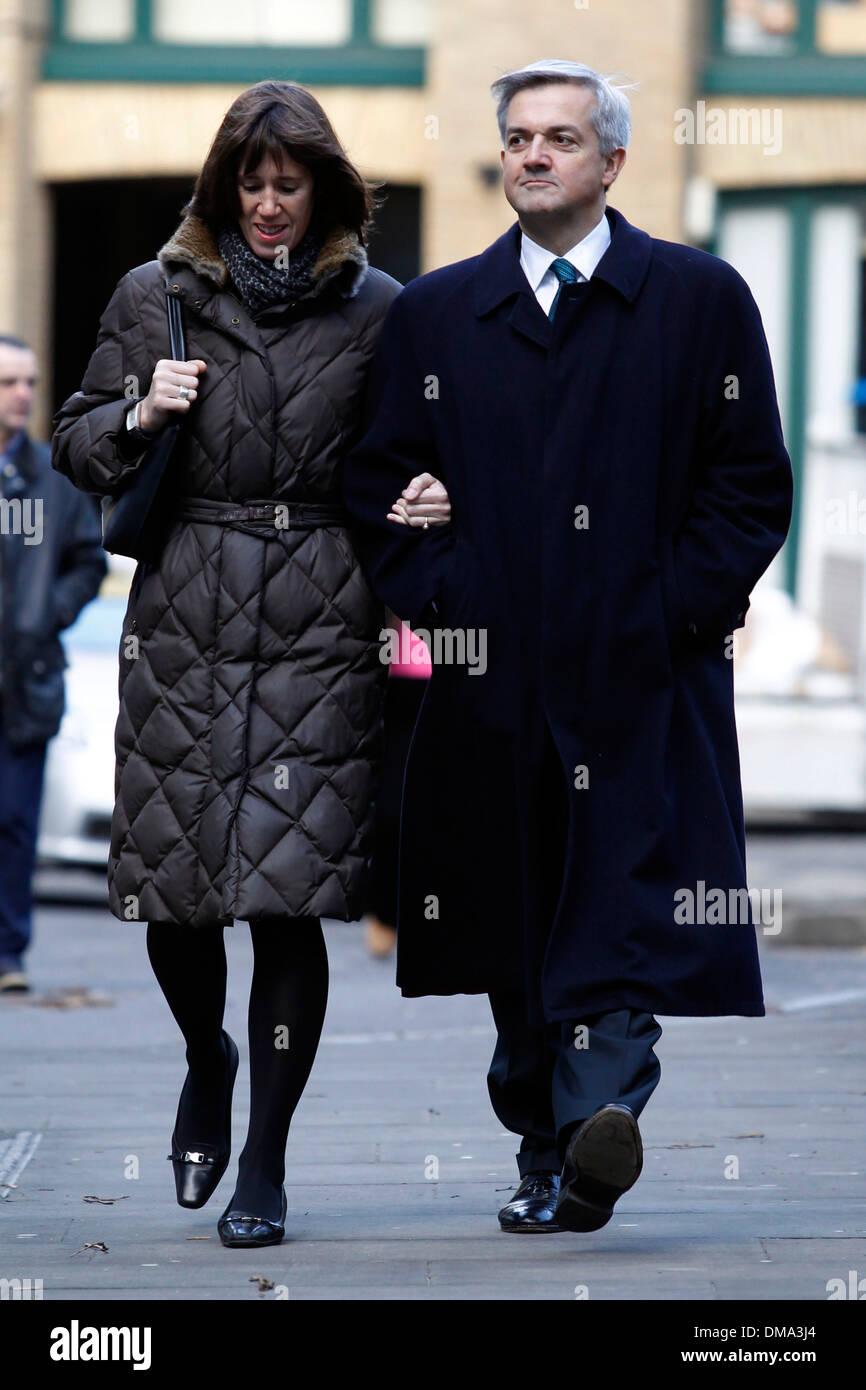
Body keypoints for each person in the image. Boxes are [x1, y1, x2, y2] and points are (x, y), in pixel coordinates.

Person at [343, 59, 793, 1234]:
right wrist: (444, 591)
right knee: (510, 919)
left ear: (611, 162)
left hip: (642, 680)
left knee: (619, 908)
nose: (532, 154)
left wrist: (673, 611)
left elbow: (746, 486)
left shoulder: (698, 300)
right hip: (491, 684)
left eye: (558, 137)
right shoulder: (437, 313)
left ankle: (592, 1135)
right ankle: (542, 1131)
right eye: (516, 137)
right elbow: (379, 486)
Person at [50, 80, 446, 1248]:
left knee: (290, 902)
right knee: (175, 897)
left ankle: (263, 1161)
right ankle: (204, 1055)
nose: (268, 204)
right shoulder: (153, 293)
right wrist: (137, 410)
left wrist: (429, 495)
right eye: (250, 182)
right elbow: (75, 443)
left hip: (323, 618)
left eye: (290, 183)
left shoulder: (380, 308)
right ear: (221, 186)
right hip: (185, 610)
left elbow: (413, 451)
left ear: (324, 187)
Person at [0, 334, 105, 993]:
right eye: (11, 382)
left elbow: (88, 561)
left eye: (31, 383)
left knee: (14, 821)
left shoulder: (53, 480)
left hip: (25, 681)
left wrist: (48, 616)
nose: (24, 395)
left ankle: (8, 955)